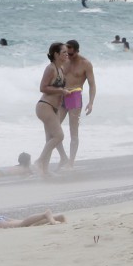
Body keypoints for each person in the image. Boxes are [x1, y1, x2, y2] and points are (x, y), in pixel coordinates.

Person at [36, 42, 71, 176]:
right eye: (64, 52)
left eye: (67, 52)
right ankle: (39, 161)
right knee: (59, 136)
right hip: (45, 106)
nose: (67, 54)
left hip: (54, 108)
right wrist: (61, 91)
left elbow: (58, 88)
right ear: (56, 54)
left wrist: (66, 91)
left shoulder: (60, 69)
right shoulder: (50, 68)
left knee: (50, 139)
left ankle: (45, 171)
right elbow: (42, 87)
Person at [62, 39, 96, 167]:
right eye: (67, 53)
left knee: (73, 131)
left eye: (71, 54)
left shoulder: (85, 64)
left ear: (77, 51)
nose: (69, 56)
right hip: (61, 95)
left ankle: (71, 162)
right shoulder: (63, 60)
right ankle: (63, 157)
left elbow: (92, 85)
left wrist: (91, 102)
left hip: (75, 96)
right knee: (54, 130)